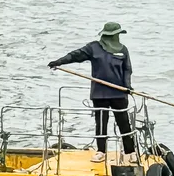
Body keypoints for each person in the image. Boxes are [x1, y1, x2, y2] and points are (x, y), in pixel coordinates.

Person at [49, 22, 137, 162]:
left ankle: (130, 152)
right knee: (101, 122)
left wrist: (127, 86)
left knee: (124, 123)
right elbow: (75, 55)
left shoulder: (123, 50)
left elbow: (127, 70)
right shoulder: (94, 48)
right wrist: (59, 62)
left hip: (119, 93)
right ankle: (101, 151)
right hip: (100, 93)